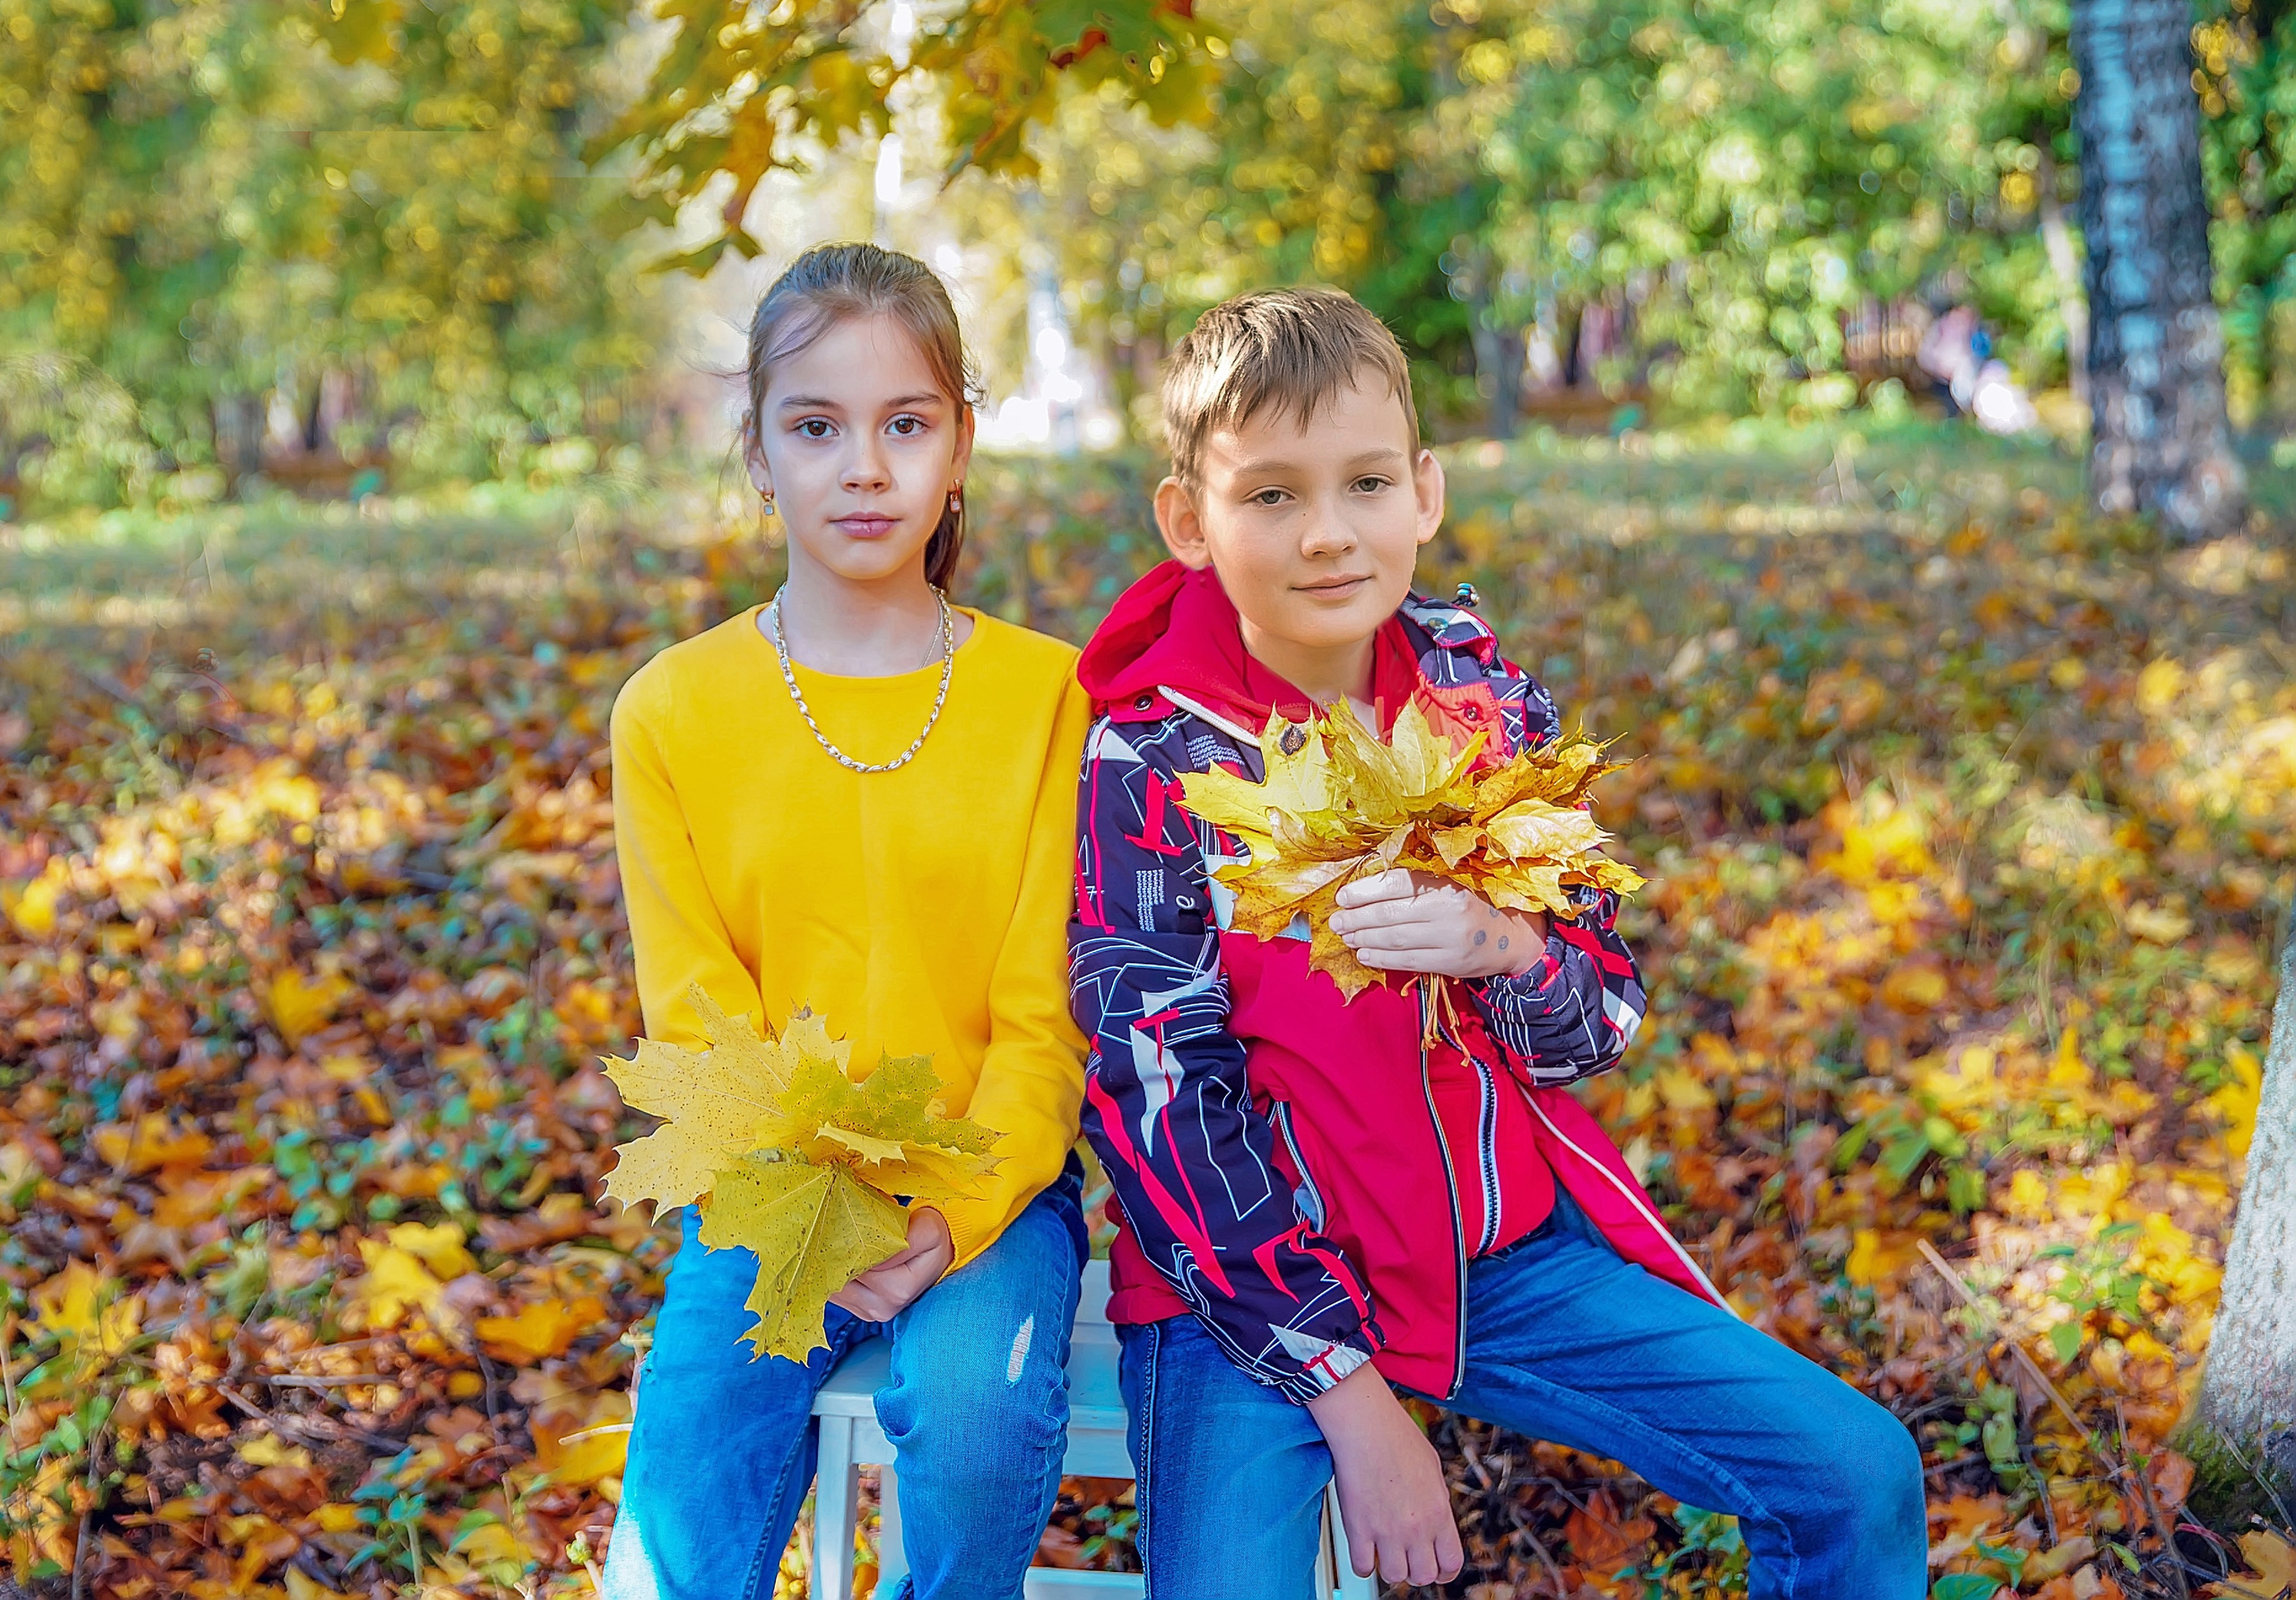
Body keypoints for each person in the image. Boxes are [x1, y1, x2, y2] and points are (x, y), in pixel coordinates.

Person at [1067, 287, 1928, 1597]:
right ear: (1189, 521)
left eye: (1364, 484)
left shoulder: (1488, 706)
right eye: (1273, 497)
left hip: (1491, 1257)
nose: (1329, 535)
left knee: (1854, 1474)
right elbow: (1157, 1092)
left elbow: (1602, 1019)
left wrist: (1501, 948)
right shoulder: (1157, 753)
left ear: (1426, 492)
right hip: (1244, 1300)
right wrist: (1351, 1400)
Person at [603, 242, 1091, 1600]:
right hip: (764, 1196)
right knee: (677, 1517)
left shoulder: (1050, 700)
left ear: (960, 446)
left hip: (989, 1191)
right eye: (815, 427)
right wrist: (822, 1210)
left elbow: (1044, 1019)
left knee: (981, 1417)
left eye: (905, 424)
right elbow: (699, 1020)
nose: (862, 468)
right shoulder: (675, 713)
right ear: (757, 449)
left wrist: (952, 1204)